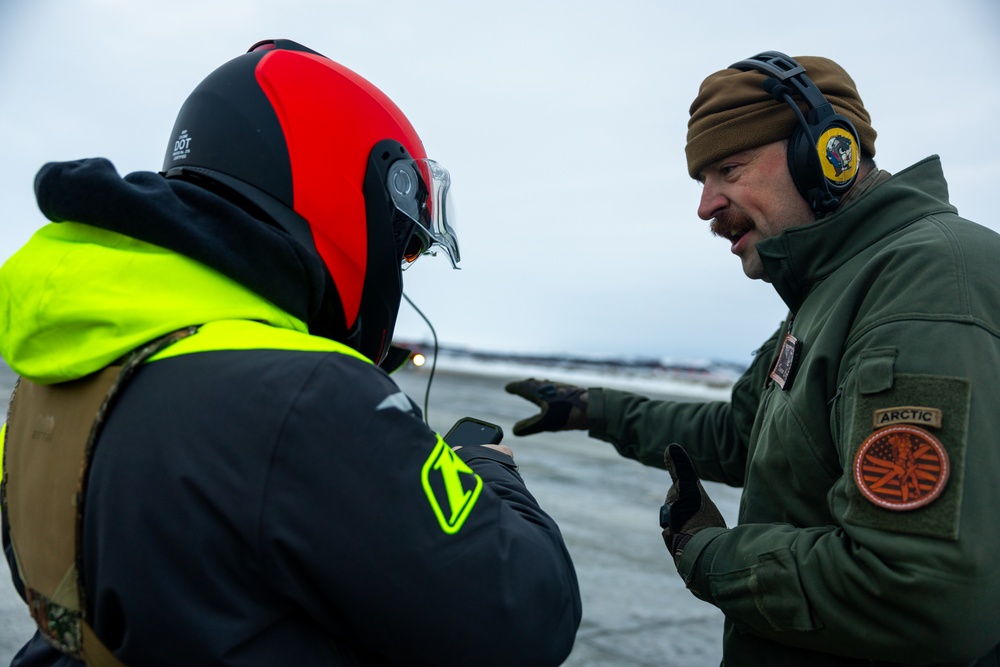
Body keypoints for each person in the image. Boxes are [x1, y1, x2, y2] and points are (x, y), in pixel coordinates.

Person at [0, 39, 581, 666]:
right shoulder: (306, 396)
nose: (400, 269)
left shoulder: (59, 374)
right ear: (339, 192)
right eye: (403, 247)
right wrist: (485, 469)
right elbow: (529, 617)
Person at [506, 51, 1000, 666]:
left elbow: (919, 592)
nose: (707, 205)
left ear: (826, 153)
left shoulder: (924, 289)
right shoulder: (830, 291)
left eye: (729, 169)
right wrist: (592, 408)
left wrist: (711, 554)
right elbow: (743, 435)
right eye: (702, 182)